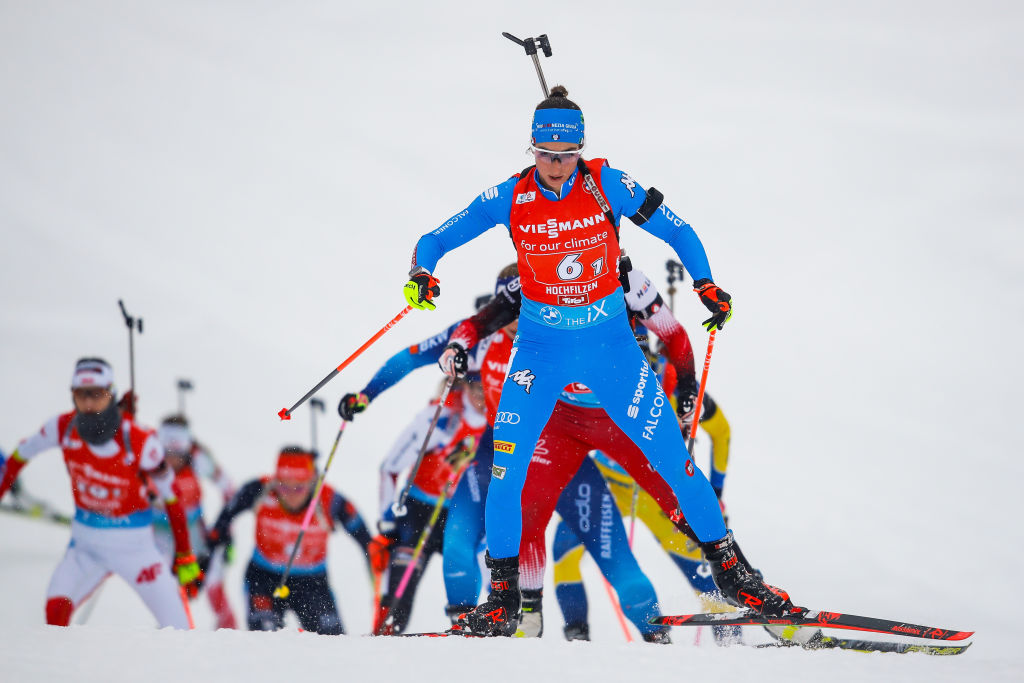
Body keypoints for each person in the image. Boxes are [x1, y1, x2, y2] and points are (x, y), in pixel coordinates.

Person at [404, 86, 795, 635]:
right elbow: (436, 238)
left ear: (581, 149)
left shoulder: (608, 184)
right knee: (505, 473)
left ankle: (736, 576)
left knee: (676, 463)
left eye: (566, 155)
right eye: (546, 154)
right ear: (532, 151)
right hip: (540, 355)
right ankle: (502, 598)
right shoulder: (509, 197)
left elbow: (676, 229)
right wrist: (423, 273)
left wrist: (705, 282)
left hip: (612, 351)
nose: (557, 166)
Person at [0, 358, 200, 628]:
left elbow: (172, 497)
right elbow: (19, 455)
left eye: (97, 394)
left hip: (136, 548)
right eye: (81, 395)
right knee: (54, 616)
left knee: (180, 628)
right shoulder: (63, 427)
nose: (89, 404)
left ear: (112, 394)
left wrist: (185, 555)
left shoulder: (138, 438)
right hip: (86, 546)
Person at [207, 447, 372, 635]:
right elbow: (225, 517)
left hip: (312, 582)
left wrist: (376, 563)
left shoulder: (329, 500)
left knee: (332, 643)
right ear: (276, 481)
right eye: (284, 486)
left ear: (311, 482)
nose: (291, 494)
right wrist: (217, 541)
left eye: (299, 487)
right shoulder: (260, 489)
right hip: (263, 578)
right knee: (265, 642)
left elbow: (367, 541)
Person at [372, 378, 487, 635]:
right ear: (465, 387)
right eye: (476, 388)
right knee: (400, 592)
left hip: (463, 516)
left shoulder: (499, 423)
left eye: (487, 388)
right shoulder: (438, 417)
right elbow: (389, 468)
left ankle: (492, 637)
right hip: (419, 513)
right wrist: (387, 521)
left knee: (491, 577)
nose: (482, 396)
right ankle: (384, 633)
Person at [154, 415, 238, 629]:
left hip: (193, 529)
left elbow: (229, 488)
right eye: (168, 453)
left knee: (213, 578)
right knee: (167, 584)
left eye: (178, 453)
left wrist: (226, 530)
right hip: (159, 531)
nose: (173, 460)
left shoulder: (198, 458)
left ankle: (229, 632)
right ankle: (172, 632)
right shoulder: (149, 456)